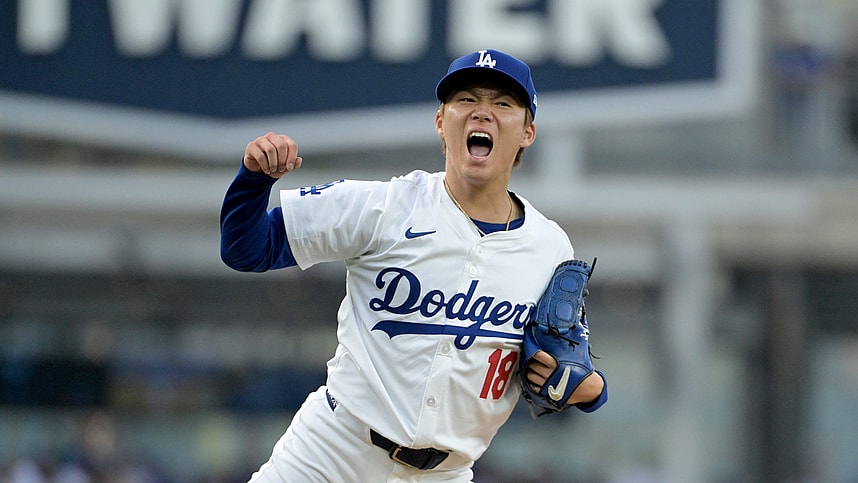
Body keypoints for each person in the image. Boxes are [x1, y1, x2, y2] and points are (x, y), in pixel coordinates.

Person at [220, 48, 607, 482]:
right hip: (331, 454)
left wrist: (591, 390)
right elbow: (246, 249)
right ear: (441, 122)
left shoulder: (550, 247)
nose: (482, 113)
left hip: (446, 473)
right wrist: (254, 180)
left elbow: (567, 362)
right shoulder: (385, 206)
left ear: (528, 132)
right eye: (466, 100)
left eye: (502, 104)